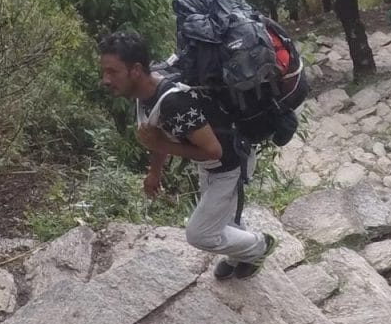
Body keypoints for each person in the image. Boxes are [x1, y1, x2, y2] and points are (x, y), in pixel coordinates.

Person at [99, 30, 277, 280]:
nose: (105, 80)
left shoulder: (174, 103)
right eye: (104, 72)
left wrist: (162, 145)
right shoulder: (144, 95)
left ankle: (260, 245)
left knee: (199, 234)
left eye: (113, 72)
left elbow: (212, 149)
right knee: (220, 219)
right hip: (211, 165)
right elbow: (157, 130)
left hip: (230, 164)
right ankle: (242, 256)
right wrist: (155, 172)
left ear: (136, 70)